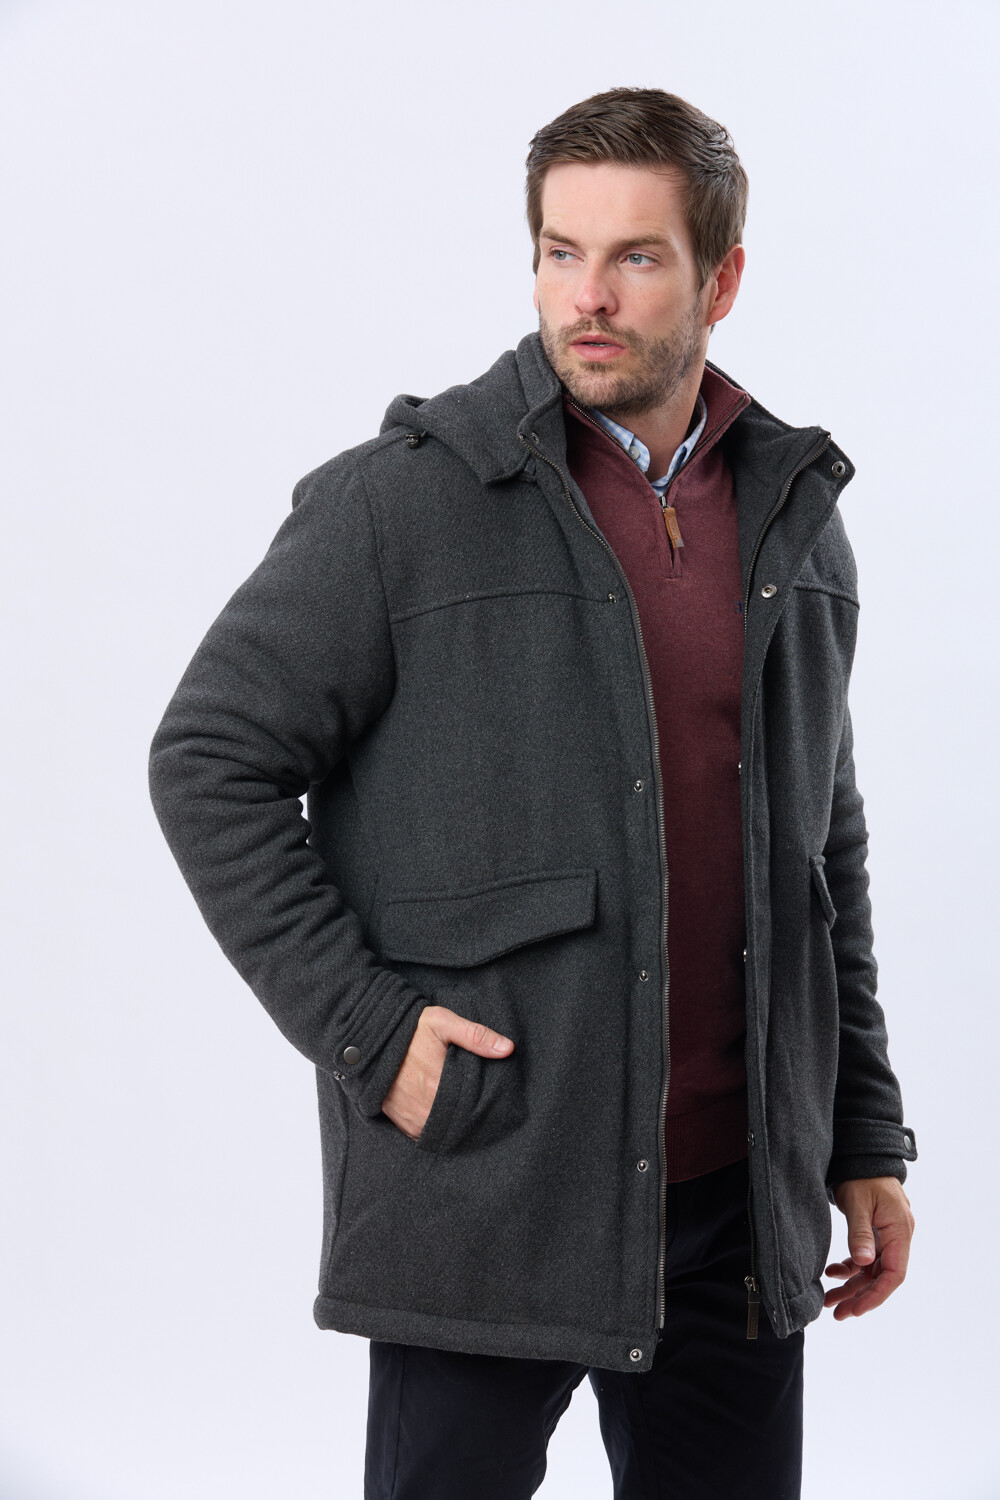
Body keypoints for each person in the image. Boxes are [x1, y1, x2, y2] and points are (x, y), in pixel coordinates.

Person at [149, 86, 917, 1500]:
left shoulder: (796, 523)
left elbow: (826, 851)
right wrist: (372, 1032)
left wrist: (863, 1130)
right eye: (561, 252)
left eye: (635, 257)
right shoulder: (404, 504)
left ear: (722, 280)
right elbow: (210, 758)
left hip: (738, 1213)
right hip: (488, 1185)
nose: (589, 297)